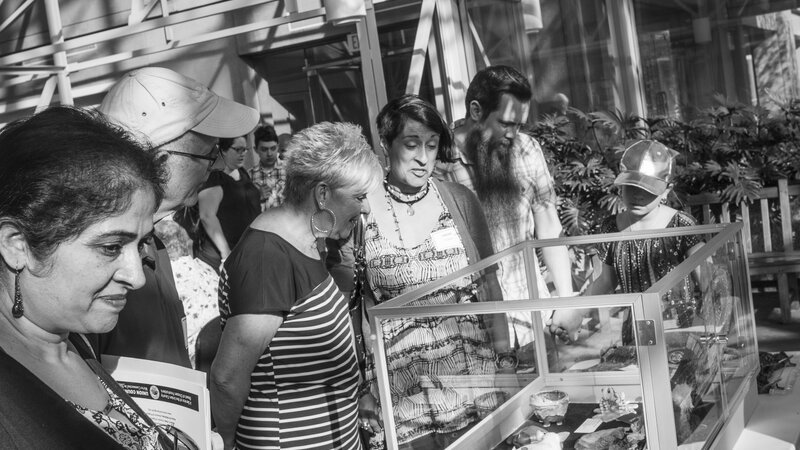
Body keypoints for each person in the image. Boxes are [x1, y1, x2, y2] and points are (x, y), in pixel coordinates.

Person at [0, 106, 168, 449]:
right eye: (110, 247)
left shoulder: (70, 338)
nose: (136, 278)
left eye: (142, 242)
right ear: (18, 246)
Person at [210, 122, 382, 450]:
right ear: (322, 194)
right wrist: (229, 443)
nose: (366, 208)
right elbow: (227, 377)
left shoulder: (302, 242)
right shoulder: (267, 256)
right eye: (359, 197)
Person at [357, 94, 511, 448]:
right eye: (411, 145)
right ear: (385, 143)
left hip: (473, 375)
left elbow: (489, 280)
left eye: (431, 144)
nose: (424, 158)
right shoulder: (361, 209)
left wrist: (504, 357)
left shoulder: (458, 199)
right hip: (403, 383)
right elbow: (355, 306)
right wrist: (362, 387)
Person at [94, 66, 259, 368]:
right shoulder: (95, 265)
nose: (218, 167)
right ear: (160, 163)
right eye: (209, 155)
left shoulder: (154, 246)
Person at [434, 65, 574, 354]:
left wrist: (567, 300)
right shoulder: (436, 162)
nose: (514, 134)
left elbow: (549, 225)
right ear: (476, 111)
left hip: (533, 319)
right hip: (473, 334)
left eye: (519, 125)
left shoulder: (527, 149)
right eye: (506, 123)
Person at [557, 140, 704, 343]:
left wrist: (715, 316)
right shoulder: (611, 227)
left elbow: (706, 275)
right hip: (635, 331)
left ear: (666, 191)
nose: (637, 195)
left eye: (648, 189)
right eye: (630, 186)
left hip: (679, 329)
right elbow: (606, 281)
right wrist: (577, 312)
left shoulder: (681, 225)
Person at [197, 136, 261, 271]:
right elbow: (207, 216)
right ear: (223, 150)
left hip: (247, 253)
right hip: (224, 258)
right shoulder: (215, 177)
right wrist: (226, 255)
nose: (242, 154)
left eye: (245, 150)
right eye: (238, 149)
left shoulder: (242, 171)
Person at [250, 125, 287, 210]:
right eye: (264, 149)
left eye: (273, 148)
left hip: (288, 221)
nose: (269, 153)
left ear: (278, 147)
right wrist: (257, 197)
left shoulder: (289, 170)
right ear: (256, 149)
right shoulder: (249, 176)